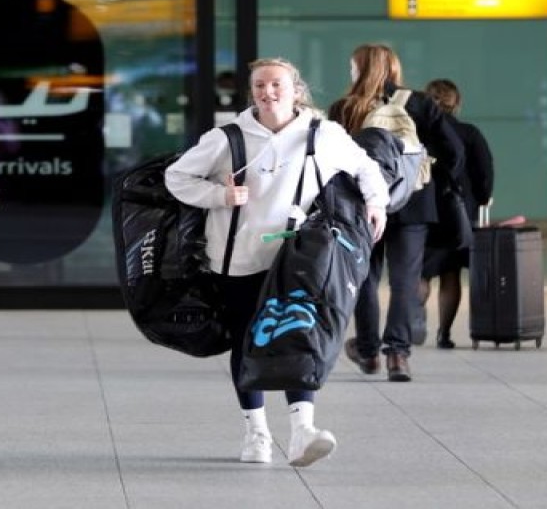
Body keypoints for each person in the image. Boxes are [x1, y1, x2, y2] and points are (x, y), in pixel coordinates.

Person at [165, 58, 388, 468]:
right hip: (237, 258)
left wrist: (377, 204)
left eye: (277, 85)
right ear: (251, 91)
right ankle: (256, 433)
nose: (268, 92)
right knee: (246, 341)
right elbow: (177, 177)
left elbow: (366, 169)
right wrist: (220, 196)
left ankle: (303, 429)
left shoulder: (324, 134)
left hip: (297, 258)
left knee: (298, 335)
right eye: (260, 85)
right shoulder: (226, 137)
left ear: (295, 90)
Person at [329, 44, 464, 382]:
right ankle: (398, 356)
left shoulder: (345, 108)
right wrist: (430, 176)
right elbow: (455, 150)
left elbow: (329, 157)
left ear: (359, 70)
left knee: (364, 278)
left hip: (362, 203)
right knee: (406, 280)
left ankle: (369, 351)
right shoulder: (420, 104)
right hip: (413, 202)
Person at [420, 79, 494, 349]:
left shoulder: (418, 132)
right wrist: (482, 199)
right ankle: (444, 333)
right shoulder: (469, 133)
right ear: (457, 103)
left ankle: (414, 321)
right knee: (450, 274)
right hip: (458, 211)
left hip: (424, 209)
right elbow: (484, 173)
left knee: (421, 273)